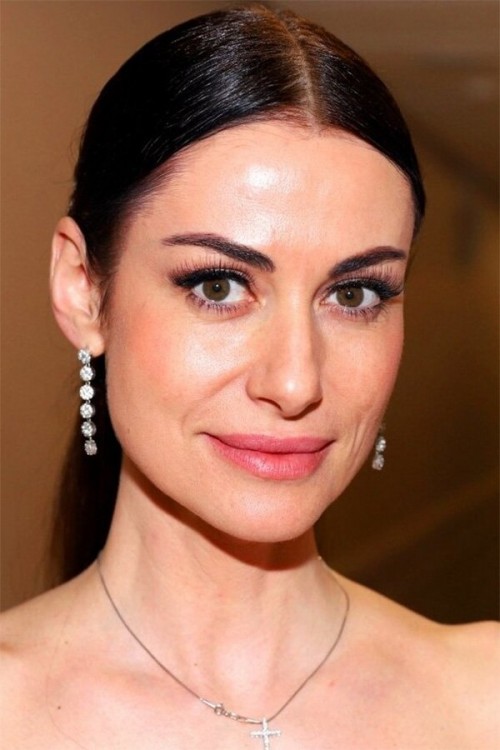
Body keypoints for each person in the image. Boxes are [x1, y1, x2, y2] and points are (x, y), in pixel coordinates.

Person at [1, 4, 497, 748]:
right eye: (219, 285)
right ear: (82, 290)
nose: (296, 383)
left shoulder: (483, 696)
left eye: (354, 295)